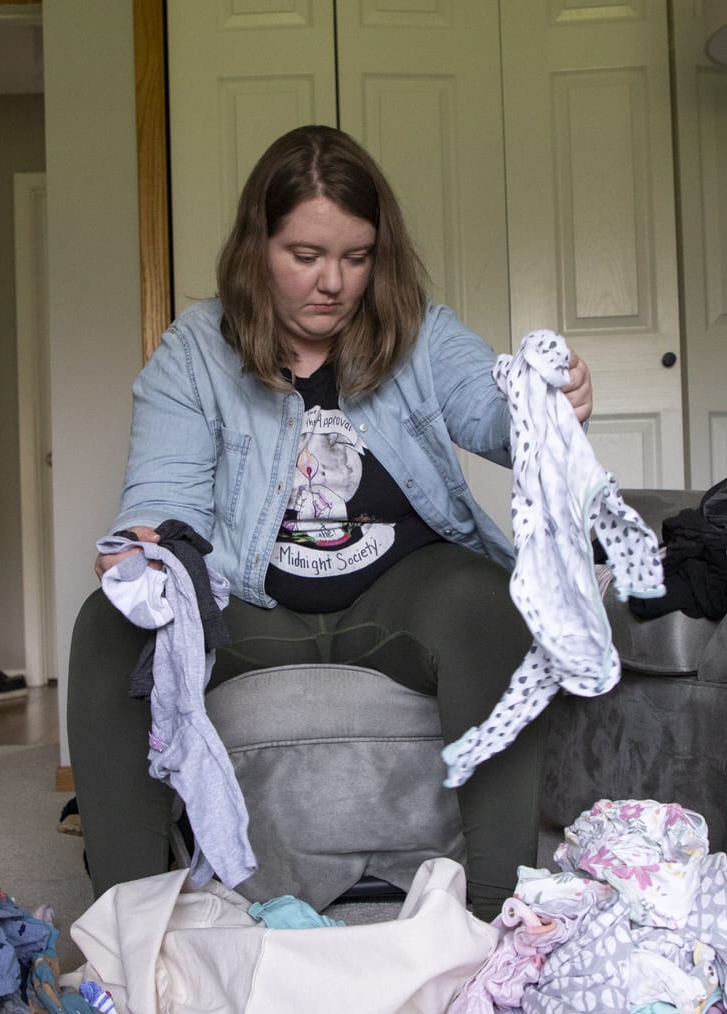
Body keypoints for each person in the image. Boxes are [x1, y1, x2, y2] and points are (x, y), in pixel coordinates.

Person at [68, 125, 593, 917]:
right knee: (110, 626)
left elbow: (494, 410)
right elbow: (162, 497)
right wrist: (145, 548)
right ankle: (129, 928)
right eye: (305, 257)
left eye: (356, 257)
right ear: (258, 248)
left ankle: (495, 921)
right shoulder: (195, 352)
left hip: (401, 596)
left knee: (492, 599)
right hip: (254, 604)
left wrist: (545, 407)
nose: (334, 284)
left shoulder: (420, 331)